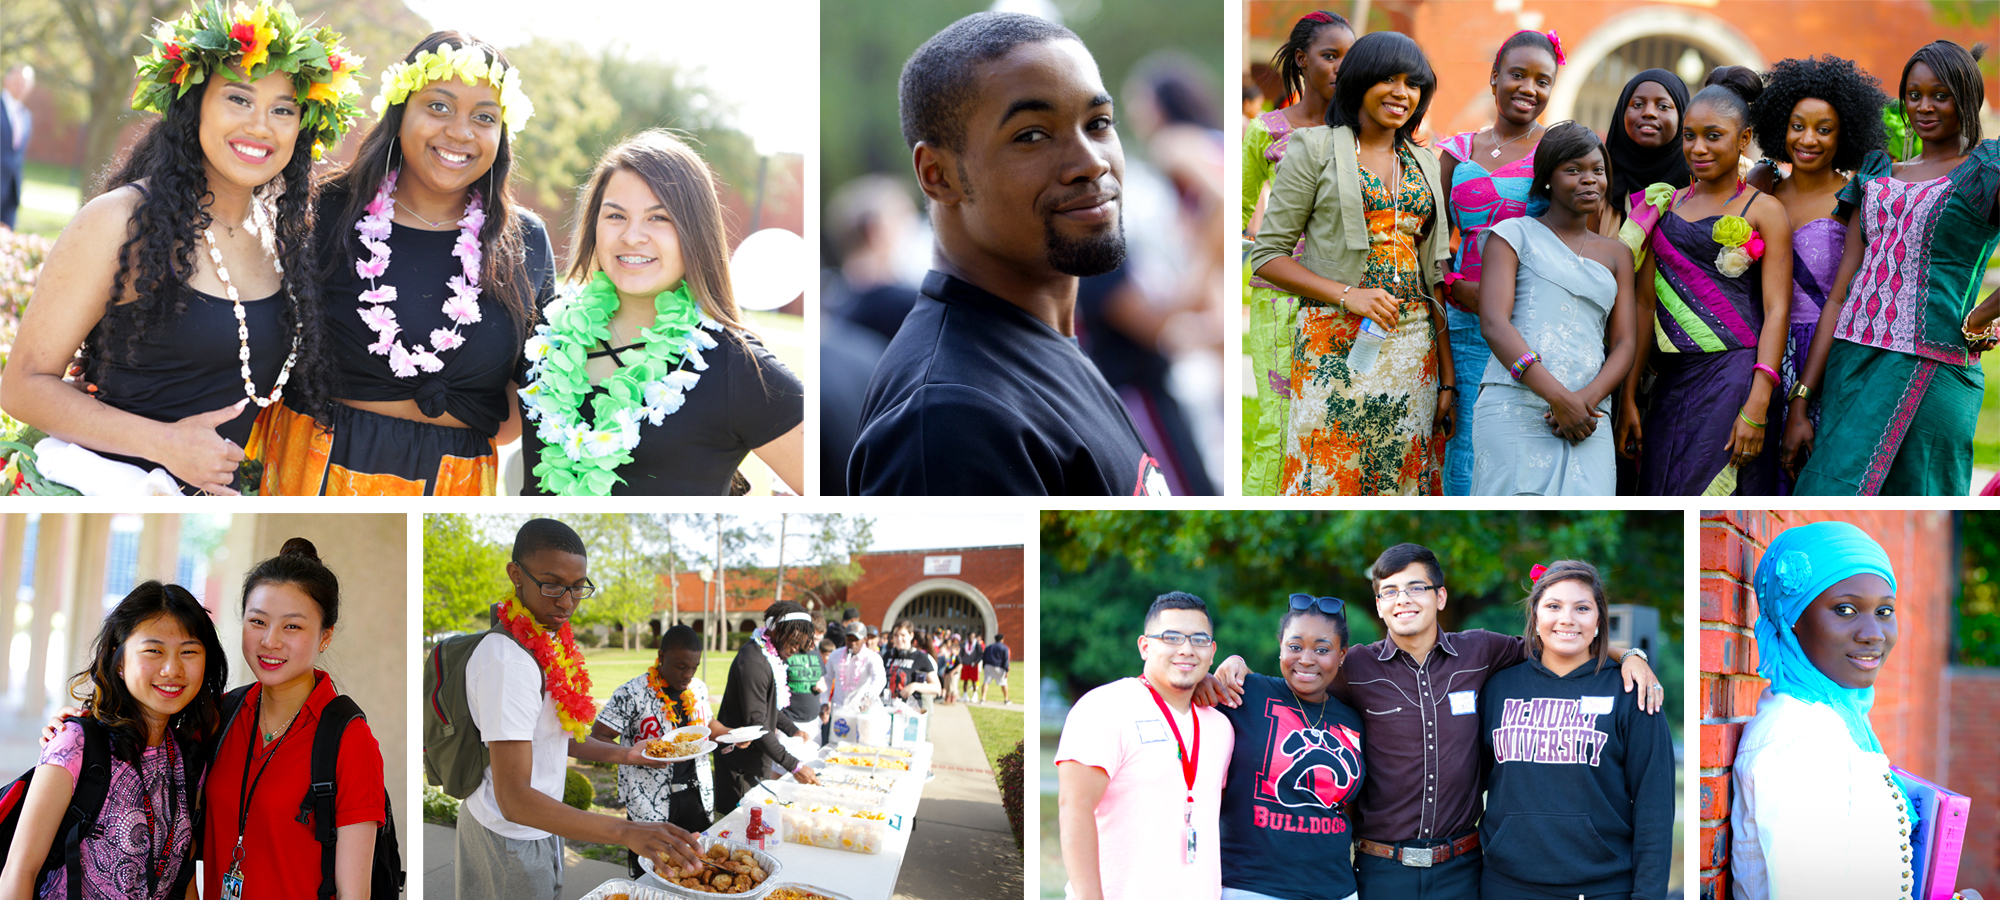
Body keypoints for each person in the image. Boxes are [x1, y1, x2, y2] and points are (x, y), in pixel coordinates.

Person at [0, 0, 356, 495]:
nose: (260, 125)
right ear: (194, 105)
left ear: (303, 126)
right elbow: (22, 387)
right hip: (102, 492)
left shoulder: (282, 238)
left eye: (283, 109)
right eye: (238, 99)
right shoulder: (120, 221)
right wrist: (164, 443)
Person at [1208, 543, 1661, 900]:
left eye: (1416, 588)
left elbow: (1559, 640)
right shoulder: (1355, 666)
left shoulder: (1482, 651)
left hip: (1462, 870)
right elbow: (1302, 674)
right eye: (1390, 592)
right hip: (1381, 871)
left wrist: (1631, 656)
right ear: (1379, 606)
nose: (1403, 599)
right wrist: (1235, 665)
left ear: (1440, 596)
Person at [848, 11, 1168, 496]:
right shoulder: (949, 418)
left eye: (1098, 123)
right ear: (938, 175)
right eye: (1032, 135)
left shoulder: (1036, 344)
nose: (1091, 162)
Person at [249, 32, 554, 495]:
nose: (460, 132)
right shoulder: (322, 213)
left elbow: (524, 404)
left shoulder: (524, 242)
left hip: (455, 485)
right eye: (439, 106)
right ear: (400, 111)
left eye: (484, 117)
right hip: (314, 473)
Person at [518, 130, 804, 495]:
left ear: (695, 232)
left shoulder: (734, 366)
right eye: (616, 215)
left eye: (659, 218)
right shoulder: (547, 335)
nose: (632, 236)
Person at [1731, 521, 1985, 900]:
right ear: (1791, 619)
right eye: (1846, 609)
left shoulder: (1834, 721)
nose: (1873, 634)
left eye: (1884, 611)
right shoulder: (1799, 743)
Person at [1248, 31, 1455, 496]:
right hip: (1333, 346)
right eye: (1388, 79)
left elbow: (1434, 273)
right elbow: (1268, 256)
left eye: (1413, 84)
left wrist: (1447, 377)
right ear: (1359, 80)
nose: (1401, 93)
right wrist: (1349, 295)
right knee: (1327, 477)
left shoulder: (1424, 161)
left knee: (1400, 481)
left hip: (1412, 350)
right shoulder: (1314, 147)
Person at [1789, 40, 1999, 496]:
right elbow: (1840, 295)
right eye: (1914, 95)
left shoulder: (1986, 171)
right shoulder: (1878, 175)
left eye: (1940, 95)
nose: (1924, 107)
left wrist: (1980, 317)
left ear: (1967, 98)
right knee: (1828, 491)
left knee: (1920, 497)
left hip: (1933, 371)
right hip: (1850, 368)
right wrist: (1802, 399)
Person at [456, 518, 701, 900]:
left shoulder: (545, 642)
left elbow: (557, 737)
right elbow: (514, 798)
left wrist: (626, 754)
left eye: (577, 587)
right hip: (508, 835)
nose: (567, 601)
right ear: (516, 575)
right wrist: (625, 831)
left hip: (544, 821)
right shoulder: (508, 662)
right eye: (552, 585)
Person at [1618, 66, 1793, 496]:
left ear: (1744, 139)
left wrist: (1757, 403)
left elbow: (1777, 309)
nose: (1698, 148)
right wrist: (1628, 396)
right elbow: (1644, 304)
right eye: (1689, 136)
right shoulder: (1663, 205)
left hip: (1734, 378)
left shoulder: (1763, 210)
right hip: (1670, 382)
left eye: (1713, 136)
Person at [0, 582, 223, 900]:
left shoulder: (188, 757)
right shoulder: (75, 744)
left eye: (188, 652)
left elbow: (184, 881)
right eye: (154, 651)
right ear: (119, 661)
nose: (172, 669)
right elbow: (19, 872)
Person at [1478, 560, 1672, 900]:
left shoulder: (1632, 691)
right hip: (1506, 885)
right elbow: (1469, 783)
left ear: (1599, 619)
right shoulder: (1497, 687)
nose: (1567, 619)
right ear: (1535, 615)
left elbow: (1654, 808)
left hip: (1602, 888)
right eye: (1553, 606)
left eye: (1582, 608)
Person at [1740, 56, 1889, 494]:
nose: (1808, 139)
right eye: (1797, 126)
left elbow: (1844, 298)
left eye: (1824, 129)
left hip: (1825, 355)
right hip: (1761, 352)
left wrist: (1803, 398)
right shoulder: (1762, 190)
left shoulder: (1855, 198)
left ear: (1844, 135)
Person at [1471, 122, 1636, 495]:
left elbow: (1625, 343)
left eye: (1597, 170)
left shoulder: (1618, 255)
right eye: (1573, 170)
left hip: (1589, 416)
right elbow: (1494, 324)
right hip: (1514, 405)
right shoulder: (1511, 235)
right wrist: (1558, 398)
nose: (1589, 179)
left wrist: (1583, 403)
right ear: (1547, 178)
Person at [1438, 29, 1560, 496]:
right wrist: (1451, 283)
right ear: (1494, 77)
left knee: (1512, 443)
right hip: (1461, 318)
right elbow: (1427, 238)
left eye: (1542, 81)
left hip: (1524, 319)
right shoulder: (1457, 152)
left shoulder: (1555, 152)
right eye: (1517, 75)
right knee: (1460, 441)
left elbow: (1571, 238)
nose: (1529, 88)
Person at [1242, 12, 1356, 496]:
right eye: (1330, 56)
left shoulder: (1362, 132)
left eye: (1349, 57)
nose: (1341, 68)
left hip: (1347, 299)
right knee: (1279, 428)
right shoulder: (1266, 130)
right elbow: (1238, 208)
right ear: (1302, 60)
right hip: (1281, 300)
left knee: (1333, 430)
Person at [1056, 592, 1234, 900]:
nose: (1187, 649)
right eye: (1171, 637)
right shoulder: (1105, 707)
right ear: (1145, 646)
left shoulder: (1221, 727)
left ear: (1212, 651)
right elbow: (1074, 808)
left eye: (1199, 640)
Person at [1214, 594, 1365, 900]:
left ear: (1342, 654)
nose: (1306, 659)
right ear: (1280, 646)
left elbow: (1349, 805)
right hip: (1251, 886)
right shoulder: (1244, 693)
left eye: (1322, 649)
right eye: (1295, 647)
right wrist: (1212, 676)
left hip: (1336, 889)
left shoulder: (1353, 719)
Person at [591, 625, 726, 875]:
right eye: (680, 666)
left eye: (694, 667)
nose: (688, 674)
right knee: (651, 872)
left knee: (696, 869)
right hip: (648, 801)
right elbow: (599, 736)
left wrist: (731, 734)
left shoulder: (697, 688)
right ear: (661, 656)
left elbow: (708, 724)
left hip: (695, 796)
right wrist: (632, 757)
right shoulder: (631, 693)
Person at [713, 601, 823, 816]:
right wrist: (795, 767)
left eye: (800, 645)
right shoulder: (753, 664)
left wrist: (793, 730)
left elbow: (768, 707)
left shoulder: (768, 656)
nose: (796, 649)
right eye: (794, 642)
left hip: (755, 758)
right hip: (740, 763)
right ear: (777, 630)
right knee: (742, 822)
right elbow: (758, 722)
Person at [1596, 69, 1692, 243]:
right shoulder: (1599, 182)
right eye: (1638, 104)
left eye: (1663, 106)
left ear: (1682, 116)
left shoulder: (1699, 183)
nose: (1649, 112)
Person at [782, 612, 828, 729]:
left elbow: (821, 677)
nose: (816, 644)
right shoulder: (789, 650)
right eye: (814, 638)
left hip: (813, 721)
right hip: (789, 720)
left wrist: (822, 685)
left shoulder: (815, 650)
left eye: (819, 640)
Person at [0, 66, 32, 231]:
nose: (20, 87)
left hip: (11, 192)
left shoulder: (25, 115)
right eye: (17, 81)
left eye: (25, 83)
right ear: (6, 81)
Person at [882, 622, 940, 710]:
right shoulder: (888, 655)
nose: (899, 639)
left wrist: (914, 686)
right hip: (888, 708)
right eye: (896, 635)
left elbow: (937, 688)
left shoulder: (921, 658)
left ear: (911, 635)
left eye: (903, 635)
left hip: (910, 710)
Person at [981, 631, 1012, 703]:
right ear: (1002, 639)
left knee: (986, 682)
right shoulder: (1004, 648)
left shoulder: (989, 647)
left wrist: (984, 666)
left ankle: (983, 698)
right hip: (999, 667)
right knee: (1003, 683)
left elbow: (984, 657)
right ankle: (1006, 699)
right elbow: (1006, 659)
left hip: (988, 666)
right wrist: (1007, 670)